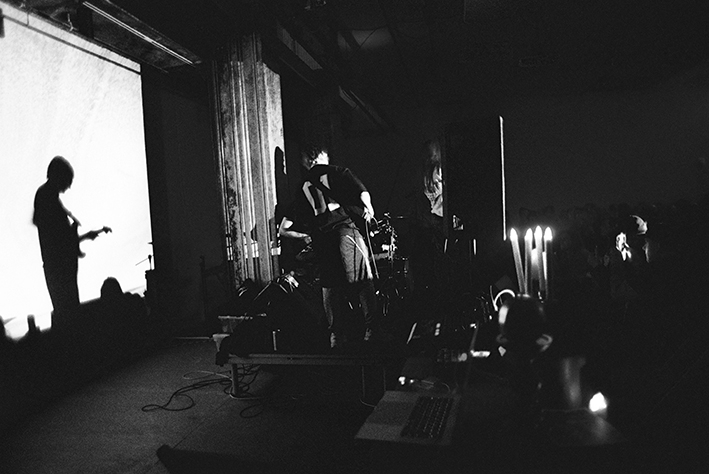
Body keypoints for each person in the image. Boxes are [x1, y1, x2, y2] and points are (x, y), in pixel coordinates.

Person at [278, 144, 378, 349]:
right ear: (321, 156)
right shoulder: (336, 171)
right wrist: (369, 209)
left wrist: (306, 236)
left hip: (322, 240)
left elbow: (285, 228)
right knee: (363, 279)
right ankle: (372, 330)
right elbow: (361, 191)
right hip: (344, 232)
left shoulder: (302, 186)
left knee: (330, 285)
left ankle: (336, 336)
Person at [33, 156, 110, 322]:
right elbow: (59, 242)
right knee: (69, 316)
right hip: (60, 271)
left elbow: (61, 240)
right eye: (68, 180)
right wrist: (81, 237)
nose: (69, 186)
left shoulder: (48, 198)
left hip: (60, 269)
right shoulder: (47, 198)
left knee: (69, 315)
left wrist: (85, 236)